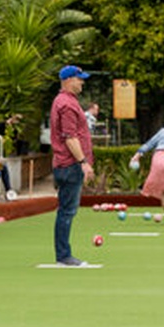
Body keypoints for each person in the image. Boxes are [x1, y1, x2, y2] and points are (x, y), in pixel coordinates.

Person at [50, 65, 94, 266]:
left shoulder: (67, 101)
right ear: (68, 80)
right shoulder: (66, 104)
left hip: (65, 164)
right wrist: (83, 162)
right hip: (69, 164)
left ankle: (63, 254)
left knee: (67, 210)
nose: (82, 82)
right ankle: (64, 255)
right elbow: (70, 137)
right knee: (67, 211)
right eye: (79, 79)